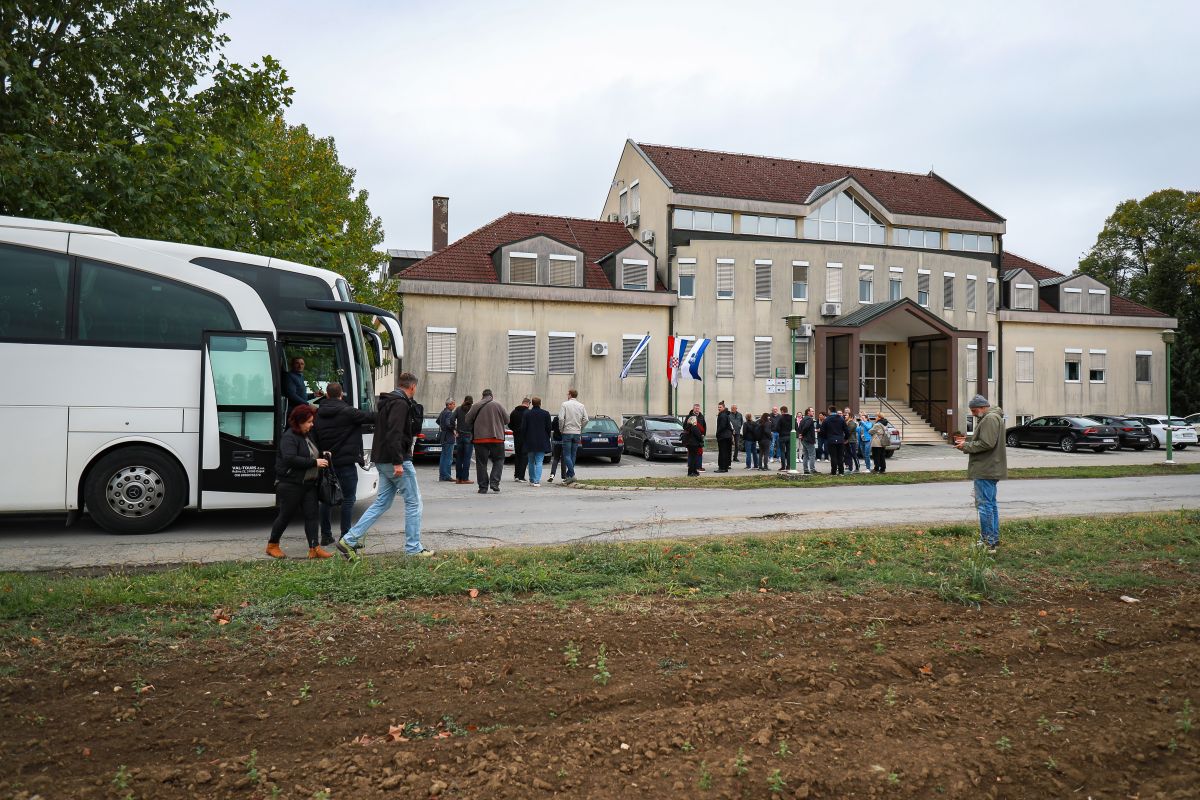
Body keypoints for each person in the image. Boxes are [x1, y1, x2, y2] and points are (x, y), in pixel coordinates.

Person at [337, 372, 432, 560]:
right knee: (414, 503)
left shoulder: (387, 402)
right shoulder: (400, 404)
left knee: (382, 503)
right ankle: (413, 548)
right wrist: (398, 461)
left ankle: (349, 539)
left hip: (382, 459)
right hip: (395, 460)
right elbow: (394, 434)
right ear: (412, 387)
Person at [313, 382, 376, 546]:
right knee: (348, 499)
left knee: (326, 498)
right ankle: (345, 537)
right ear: (341, 394)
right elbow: (372, 417)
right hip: (346, 463)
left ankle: (326, 535)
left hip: (326, 463)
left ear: (327, 395)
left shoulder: (318, 413)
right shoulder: (349, 412)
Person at [266, 405, 331, 559]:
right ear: (299, 422)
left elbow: (310, 453)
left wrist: (323, 454)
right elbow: (290, 459)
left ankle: (314, 548)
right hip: (290, 484)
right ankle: (272, 545)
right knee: (285, 515)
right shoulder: (289, 437)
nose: (312, 424)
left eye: (312, 421)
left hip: (309, 483)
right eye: (309, 422)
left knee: (312, 516)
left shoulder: (306, 435)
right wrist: (314, 462)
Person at [956, 395, 1008, 553]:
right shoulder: (992, 417)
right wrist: (968, 441)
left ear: (983, 407)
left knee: (985, 506)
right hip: (990, 467)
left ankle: (988, 542)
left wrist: (966, 446)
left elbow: (987, 443)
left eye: (974, 410)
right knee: (990, 505)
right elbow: (986, 439)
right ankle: (993, 539)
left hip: (986, 468)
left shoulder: (990, 419)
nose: (973, 413)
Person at [465, 389, 509, 494]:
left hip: (480, 439)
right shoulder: (498, 405)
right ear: (491, 396)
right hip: (497, 438)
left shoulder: (476, 406)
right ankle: (494, 482)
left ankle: (483, 487)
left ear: (482, 396)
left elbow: (467, 420)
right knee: (499, 460)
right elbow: (507, 420)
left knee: (481, 463)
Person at [520, 396, 553, 487]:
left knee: (531, 461)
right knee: (539, 461)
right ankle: (537, 481)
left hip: (529, 441)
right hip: (542, 440)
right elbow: (549, 428)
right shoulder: (546, 413)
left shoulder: (527, 413)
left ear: (532, 403)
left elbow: (523, 428)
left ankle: (531, 479)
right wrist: (546, 437)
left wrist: (524, 438)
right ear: (540, 403)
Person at [558, 389, 589, 483]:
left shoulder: (564, 404)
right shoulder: (581, 405)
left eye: (568, 394)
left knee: (566, 455)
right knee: (573, 454)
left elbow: (561, 418)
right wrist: (580, 427)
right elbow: (586, 419)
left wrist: (561, 429)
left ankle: (572, 474)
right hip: (577, 432)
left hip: (567, 432)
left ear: (570, 395)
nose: (567, 395)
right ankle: (569, 476)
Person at [453, 395, 474, 484]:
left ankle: (458, 478)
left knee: (459, 458)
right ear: (472, 402)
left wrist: (455, 429)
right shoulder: (473, 410)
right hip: (469, 436)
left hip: (459, 435)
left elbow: (451, 420)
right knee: (467, 458)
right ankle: (465, 478)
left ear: (464, 400)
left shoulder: (458, 409)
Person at [821, 405, 847, 476]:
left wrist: (826, 437)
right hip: (840, 440)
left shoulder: (826, 419)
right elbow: (846, 430)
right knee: (840, 456)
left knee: (833, 456)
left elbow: (822, 431)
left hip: (831, 440)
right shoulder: (841, 419)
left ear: (829, 411)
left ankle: (834, 472)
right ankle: (841, 472)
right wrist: (845, 438)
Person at [510, 397, 531, 482]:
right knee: (524, 456)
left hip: (516, 436)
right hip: (526, 437)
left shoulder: (514, 412)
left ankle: (516, 475)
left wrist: (515, 430)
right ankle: (521, 476)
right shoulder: (528, 412)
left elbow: (510, 424)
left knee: (517, 455)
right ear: (528, 404)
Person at [435, 398, 457, 482]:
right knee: (448, 458)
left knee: (443, 457)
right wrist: (454, 428)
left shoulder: (443, 412)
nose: (454, 406)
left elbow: (437, 421)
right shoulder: (449, 413)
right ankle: (447, 476)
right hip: (448, 437)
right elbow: (449, 424)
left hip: (443, 436)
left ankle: (442, 475)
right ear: (449, 405)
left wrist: (443, 426)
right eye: (453, 404)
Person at [682, 404, 705, 477]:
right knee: (693, 458)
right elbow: (698, 434)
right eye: (696, 408)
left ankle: (694, 471)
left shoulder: (701, 417)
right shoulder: (693, 427)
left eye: (698, 408)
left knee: (694, 457)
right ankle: (691, 472)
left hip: (692, 442)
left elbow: (704, 427)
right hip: (693, 443)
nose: (697, 409)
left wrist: (702, 435)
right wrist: (701, 439)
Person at [715, 401, 734, 472]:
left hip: (723, 436)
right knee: (726, 452)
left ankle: (722, 468)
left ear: (723, 407)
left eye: (720, 407)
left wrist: (717, 433)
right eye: (718, 407)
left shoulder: (722, 415)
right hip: (727, 436)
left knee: (722, 452)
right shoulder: (725, 414)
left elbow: (722, 426)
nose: (719, 408)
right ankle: (725, 467)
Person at [798, 407, 817, 475]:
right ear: (808, 412)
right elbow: (806, 427)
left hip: (804, 439)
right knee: (812, 455)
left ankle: (806, 470)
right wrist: (802, 434)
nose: (813, 412)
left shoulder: (803, 419)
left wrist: (801, 434)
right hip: (809, 439)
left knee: (805, 455)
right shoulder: (809, 419)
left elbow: (799, 428)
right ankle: (812, 469)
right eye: (812, 411)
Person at [843, 408, 862, 473]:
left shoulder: (851, 423)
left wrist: (846, 439)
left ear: (850, 417)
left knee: (854, 455)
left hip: (851, 441)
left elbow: (848, 432)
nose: (845, 416)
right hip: (848, 441)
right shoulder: (847, 423)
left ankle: (857, 467)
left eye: (846, 415)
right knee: (848, 455)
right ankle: (850, 468)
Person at [775, 405, 794, 470]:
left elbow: (777, 428)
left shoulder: (781, 418)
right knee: (789, 451)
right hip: (790, 436)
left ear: (782, 411)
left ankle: (783, 466)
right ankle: (788, 466)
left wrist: (780, 432)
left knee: (782, 451)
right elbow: (795, 427)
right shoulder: (792, 417)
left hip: (782, 436)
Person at [547, 416, 563, 483]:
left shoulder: (556, 418)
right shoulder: (567, 418)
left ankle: (552, 475)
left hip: (556, 441)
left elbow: (552, 427)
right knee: (564, 459)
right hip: (565, 441)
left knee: (556, 459)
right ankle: (564, 477)